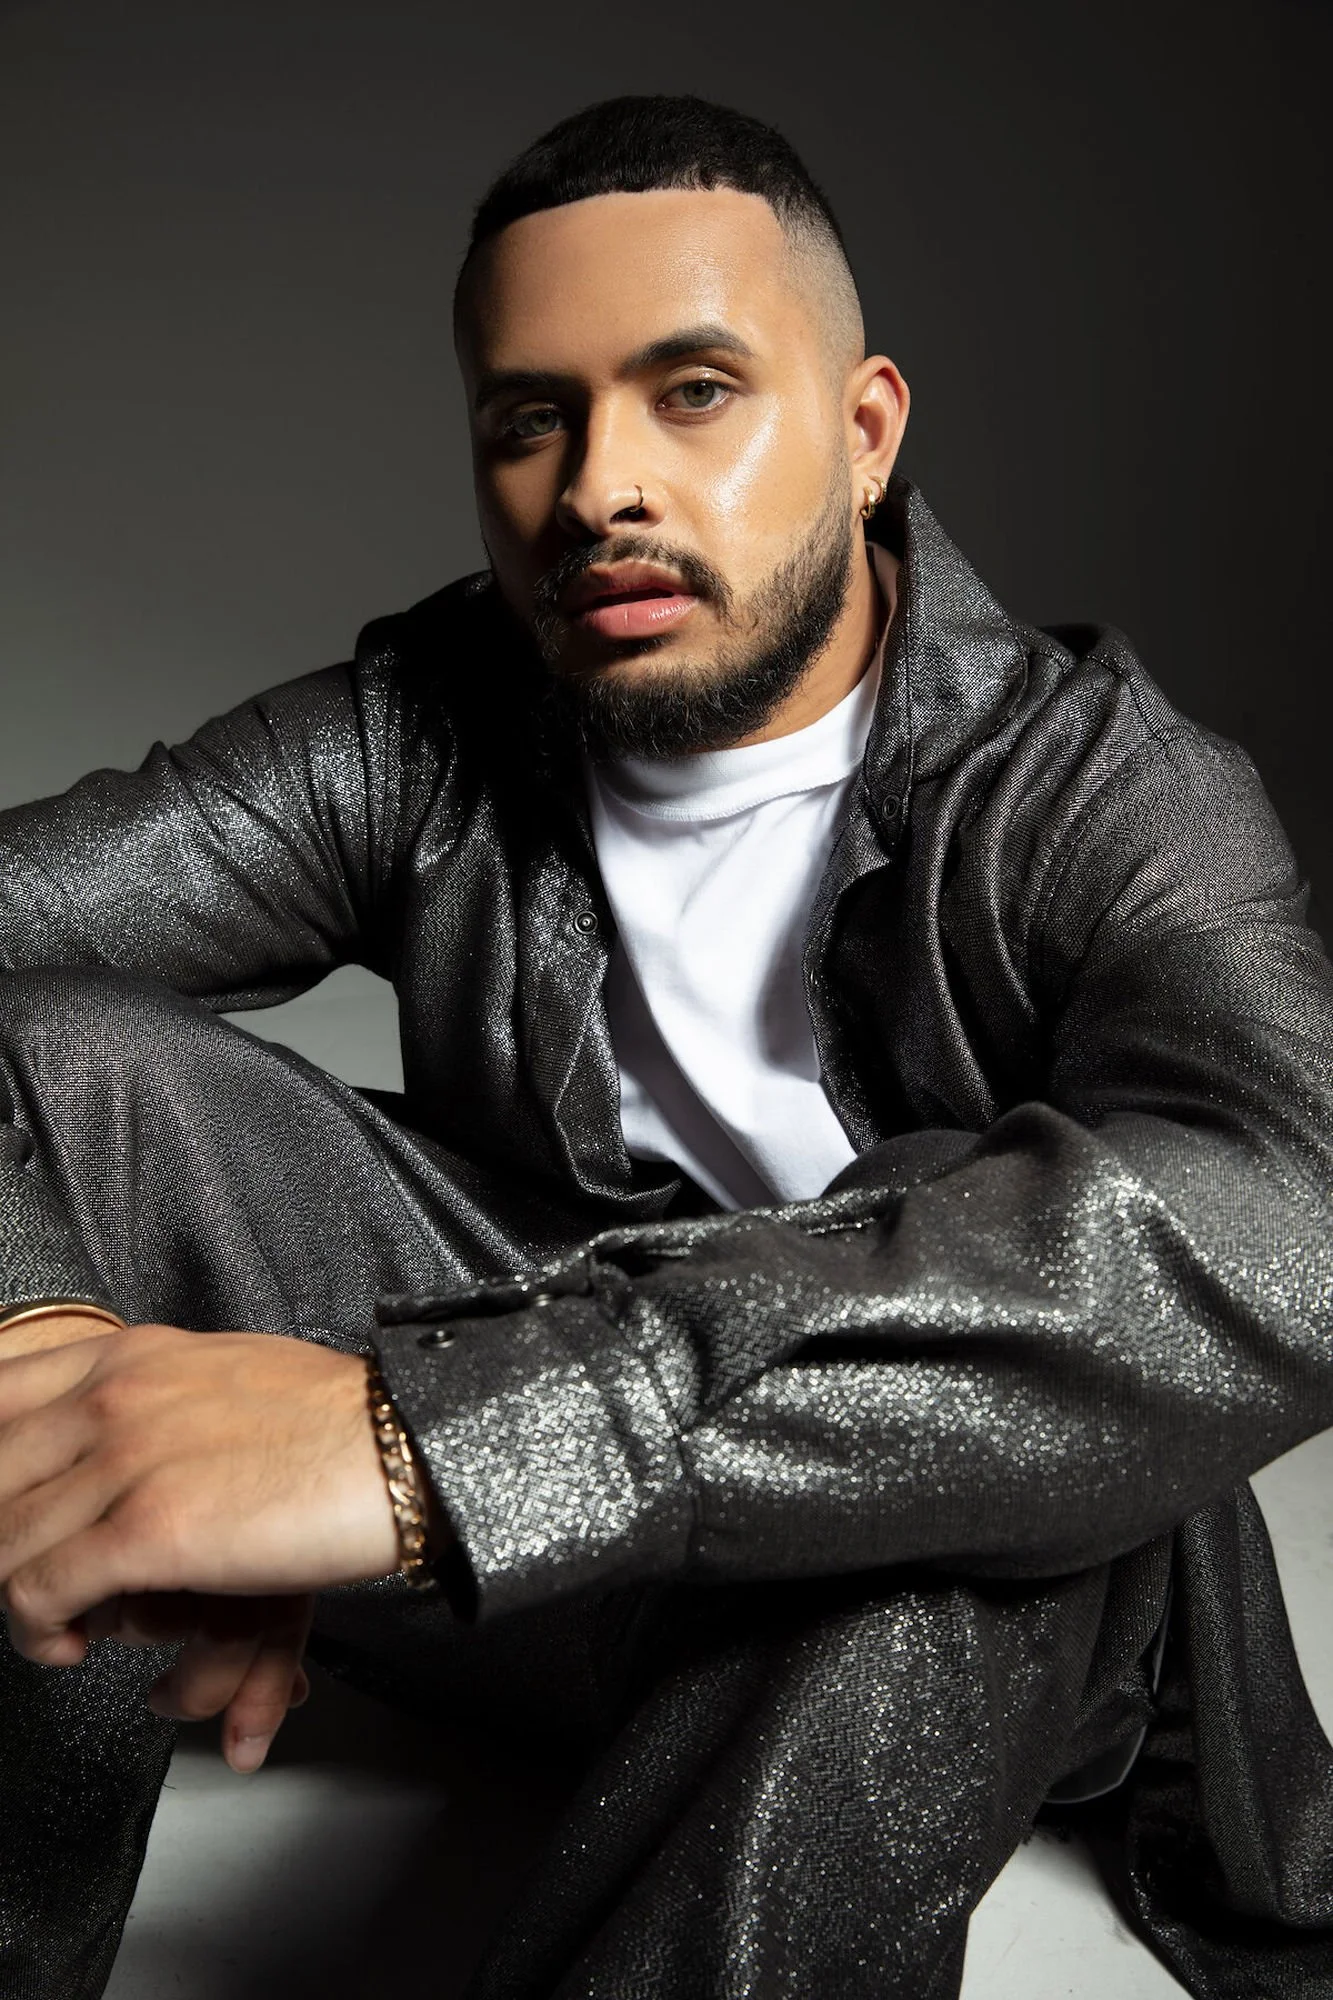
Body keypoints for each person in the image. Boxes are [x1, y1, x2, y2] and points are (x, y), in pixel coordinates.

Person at [1, 91, 1331, 2000]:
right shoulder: (432, 727)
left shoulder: (1100, 789)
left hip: (917, 1602)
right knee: (58, 1071)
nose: (600, 484)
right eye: (530, 419)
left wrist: (424, 1442)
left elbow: (1294, 1215)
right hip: (532, 1576)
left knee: (965, 1309)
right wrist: (40, 1347)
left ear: (865, 432)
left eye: (693, 391)